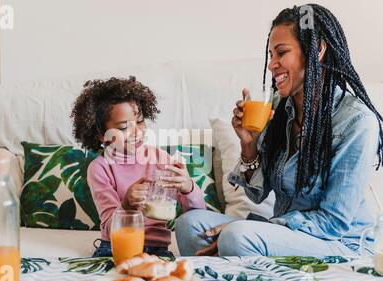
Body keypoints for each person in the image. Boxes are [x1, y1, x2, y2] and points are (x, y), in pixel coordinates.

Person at [175, 4, 383, 257]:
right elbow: (258, 194)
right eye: (270, 55)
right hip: (287, 233)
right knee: (190, 225)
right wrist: (248, 144)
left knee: (237, 236)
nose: (272, 64)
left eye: (281, 53)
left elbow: (334, 221)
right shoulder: (275, 108)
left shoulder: (356, 122)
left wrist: (255, 227)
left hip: (339, 242)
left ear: (316, 50)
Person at [71, 76, 206, 259]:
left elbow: (197, 218)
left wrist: (188, 187)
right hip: (114, 245)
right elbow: (110, 226)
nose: (137, 132)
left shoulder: (162, 159)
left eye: (140, 121)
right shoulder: (100, 168)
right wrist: (126, 205)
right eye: (124, 127)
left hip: (156, 247)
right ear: (101, 135)